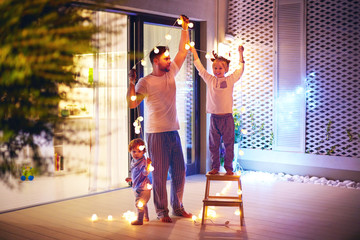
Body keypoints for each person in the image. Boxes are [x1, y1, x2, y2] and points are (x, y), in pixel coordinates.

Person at [127, 15, 192, 223]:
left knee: (180, 172)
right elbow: (132, 103)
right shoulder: (145, 82)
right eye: (166, 58)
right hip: (155, 134)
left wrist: (184, 28)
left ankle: (178, 207)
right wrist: (131, 83)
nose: (170, 60)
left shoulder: (171, 72)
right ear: (156, 61)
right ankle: (162, 212)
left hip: (173, 130)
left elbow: (183, 50)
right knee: (161, 175)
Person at [190, 45, 245, 175]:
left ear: (226, 69)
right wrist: (193, 51)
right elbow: (200, 68)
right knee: (213, 145)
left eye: (220, 68)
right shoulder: (210, 80)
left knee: (228, 144)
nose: (217, 70)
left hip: (227, 118)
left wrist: (240, 53)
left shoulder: (230, 80)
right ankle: (215, 167)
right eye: (215, 68)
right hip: (214, 118)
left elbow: (240, 70)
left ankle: (229, 168)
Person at [125, 138, 152, 225]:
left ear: (143, 152)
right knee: (143, 203)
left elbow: (145, 173)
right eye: (134, 151)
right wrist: (131, 179)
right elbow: (136, 174)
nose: (136, 154)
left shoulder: (143, 162)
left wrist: (148, 165)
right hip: (137, 186)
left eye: (139, 151)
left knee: (139, 203)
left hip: (143, 187)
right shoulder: (134, 161)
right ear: (130, 151)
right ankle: (145, 217)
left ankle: (140, 220)